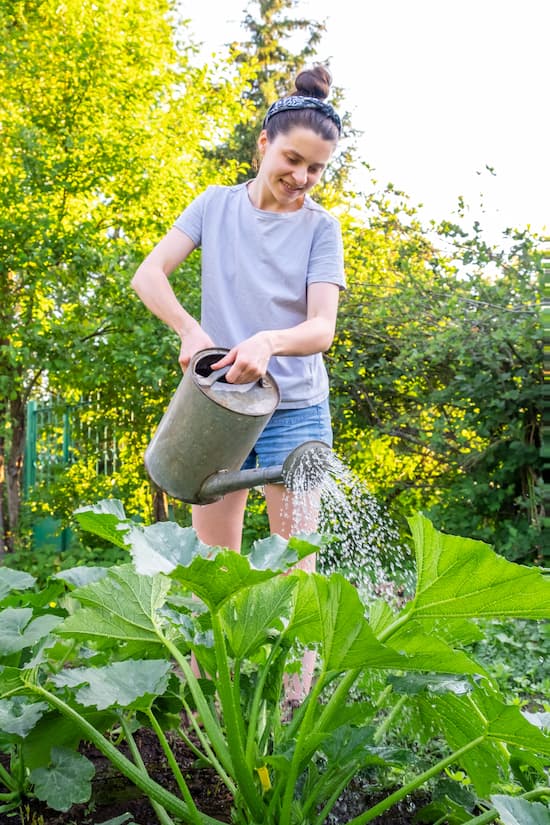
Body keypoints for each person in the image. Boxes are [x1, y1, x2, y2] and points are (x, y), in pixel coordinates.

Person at [131, 64, 346, 700]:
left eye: (316, 169)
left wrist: (268, 342)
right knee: (213, 571)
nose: (301, 180)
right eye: (292, 160)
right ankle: (207, 706)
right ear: (263, 145)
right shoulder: (213, 207)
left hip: (297, 408)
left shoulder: (320, 228)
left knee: (298, 567)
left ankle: (292, 708)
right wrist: (190, 331)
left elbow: (321, 329)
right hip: (218, 411)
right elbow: (150, 276)